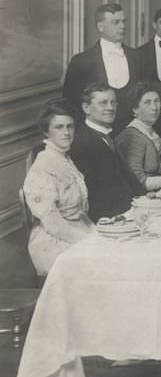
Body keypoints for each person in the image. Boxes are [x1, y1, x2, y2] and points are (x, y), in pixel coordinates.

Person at [21, 99, 95, 275]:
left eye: (70, 126)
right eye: (59, 127)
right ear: (47, 131)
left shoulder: (65, 160)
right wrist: (90, 240)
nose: (66, 132)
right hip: (52, 243)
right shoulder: (43, 167)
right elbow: (54, 225)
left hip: (77, 230)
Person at [68, 83, 144, 221]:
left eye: (113, 102)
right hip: (108, 218)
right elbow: (91, 194)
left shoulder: (106, 135)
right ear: (86, 108)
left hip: (129, 209)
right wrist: (127, 214)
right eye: (103, 103)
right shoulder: (81, 142)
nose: (110, 108)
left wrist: (143, 199)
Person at [62, 3, 140, 130]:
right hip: (96, 135)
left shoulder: (137, 57)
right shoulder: (81, 61)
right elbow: (71, 104)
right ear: (100, 26)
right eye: (116, 22)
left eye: (123, 21)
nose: (123, 26)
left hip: (132, 132)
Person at [115, 81, 161, 192]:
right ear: (135, 109)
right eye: (147, 102)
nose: (154, 108)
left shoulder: (152, 131)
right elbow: (138, 182)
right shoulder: (131, 135)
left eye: (156, 101)